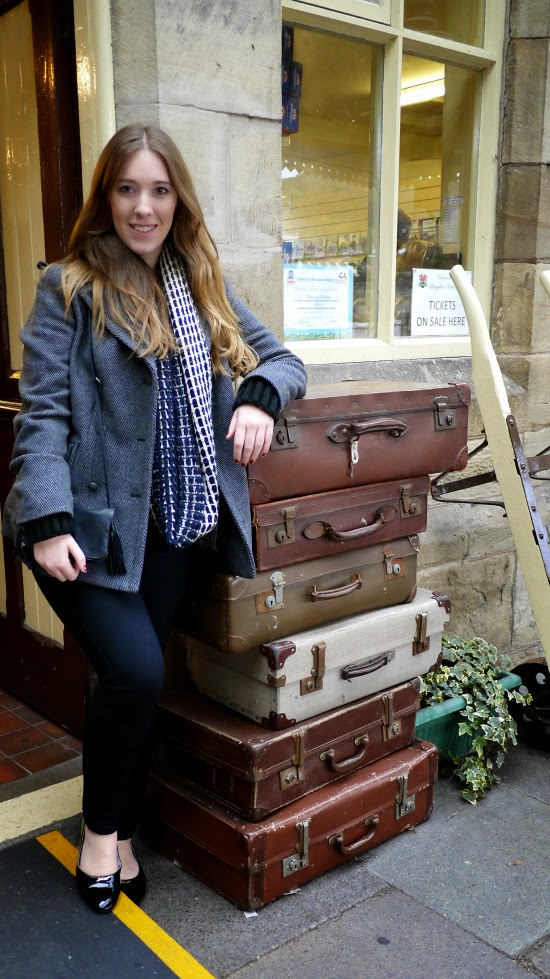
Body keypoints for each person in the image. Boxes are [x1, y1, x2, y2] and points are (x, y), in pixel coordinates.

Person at [3, 123, 307, 915]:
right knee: (136, 670)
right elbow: (41, 417)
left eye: (159, 190)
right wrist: (45, 518)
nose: (144, 207)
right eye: (128, 188)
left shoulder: (201, 282)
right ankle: (101, 832)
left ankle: (125, 832)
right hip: (87, 532)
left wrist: (259, 397)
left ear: (179, 200)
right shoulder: (68, 285)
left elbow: (283, 360)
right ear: (106, 197)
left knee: (132, 683)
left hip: (174, 526)